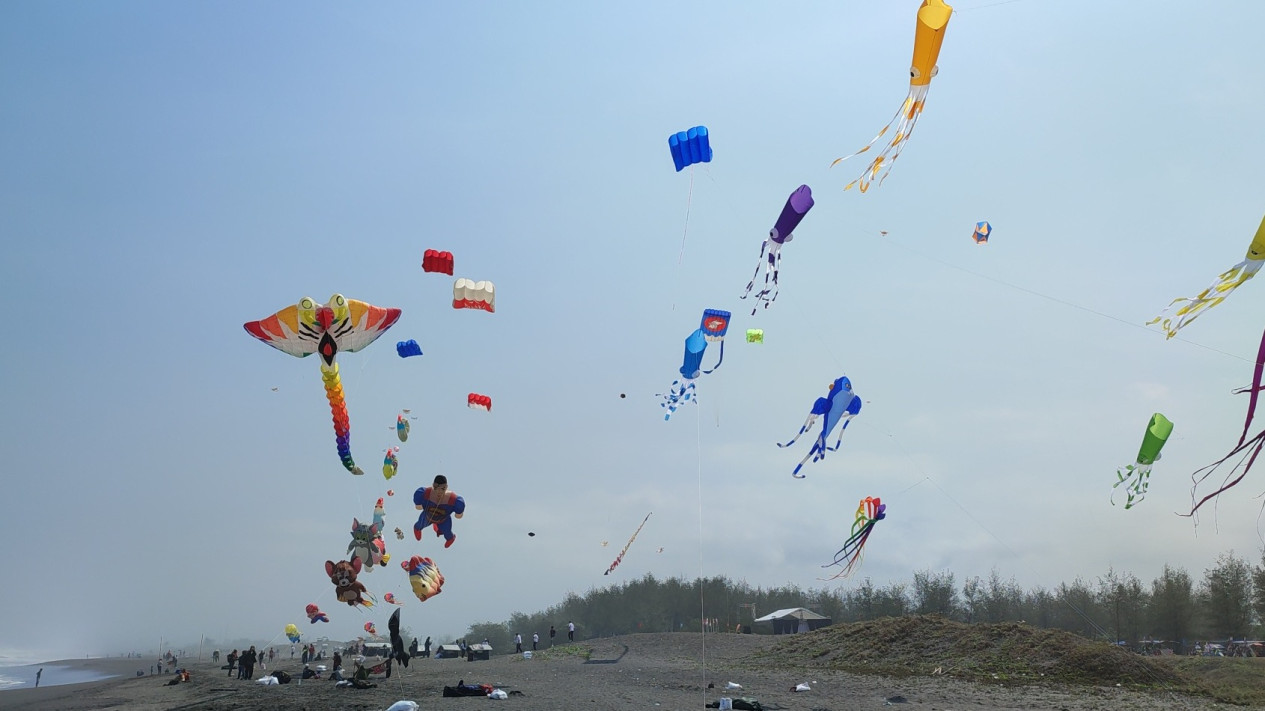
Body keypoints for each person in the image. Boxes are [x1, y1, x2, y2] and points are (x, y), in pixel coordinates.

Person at [413, 474, 466, 548]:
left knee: (448, 534)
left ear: (446, 487)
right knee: (418, 525)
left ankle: (450, 538)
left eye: (442, 489)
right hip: (427, 517)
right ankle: (417, 529)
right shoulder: (425, 493)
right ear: (432, 486)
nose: (439, 491)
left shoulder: (454, 500)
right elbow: (418, 507)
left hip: (443, 520)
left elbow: (459, 516)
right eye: (436, 488)